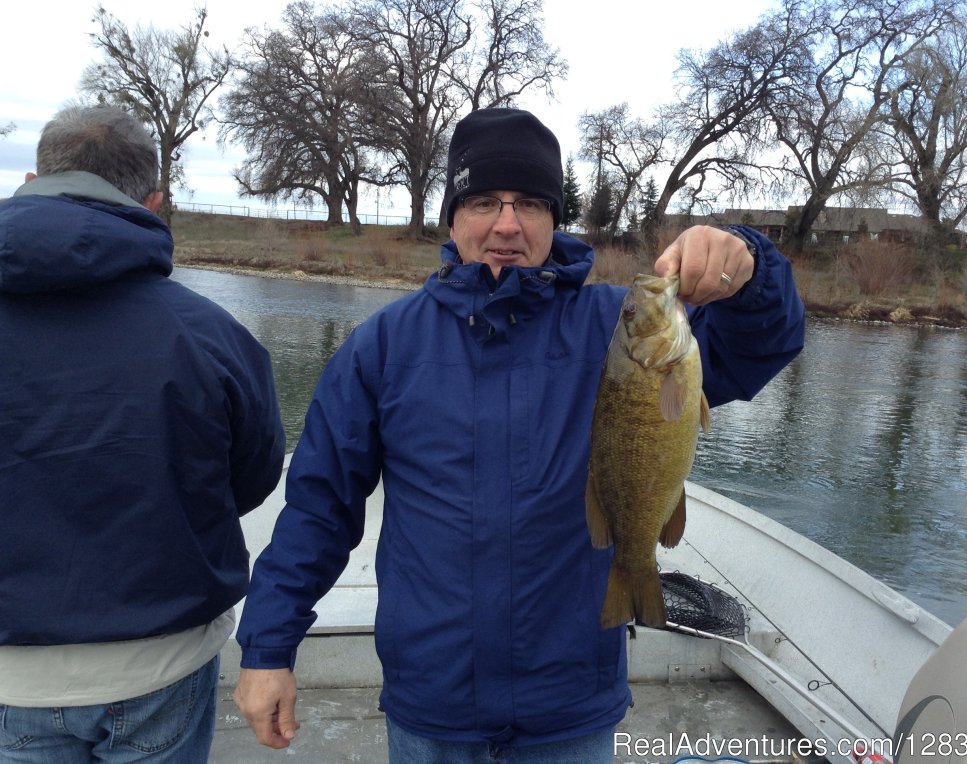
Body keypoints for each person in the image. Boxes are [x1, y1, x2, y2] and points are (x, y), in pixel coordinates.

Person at [233, 107, 805, 762]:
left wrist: (749, 265)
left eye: (530, 203)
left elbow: (762, 345)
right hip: (431, 704)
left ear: (553, 220)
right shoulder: (381, 349)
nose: (507, 223)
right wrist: (268, 647)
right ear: (452, 216)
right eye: (483, 201)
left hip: (571, 705)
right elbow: (319, 510)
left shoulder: (624, 328)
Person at [0, 105, 285, 762]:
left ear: (34, 177)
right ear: (155, 204)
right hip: (162, 661)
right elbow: (253, 472)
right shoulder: (212, 336)